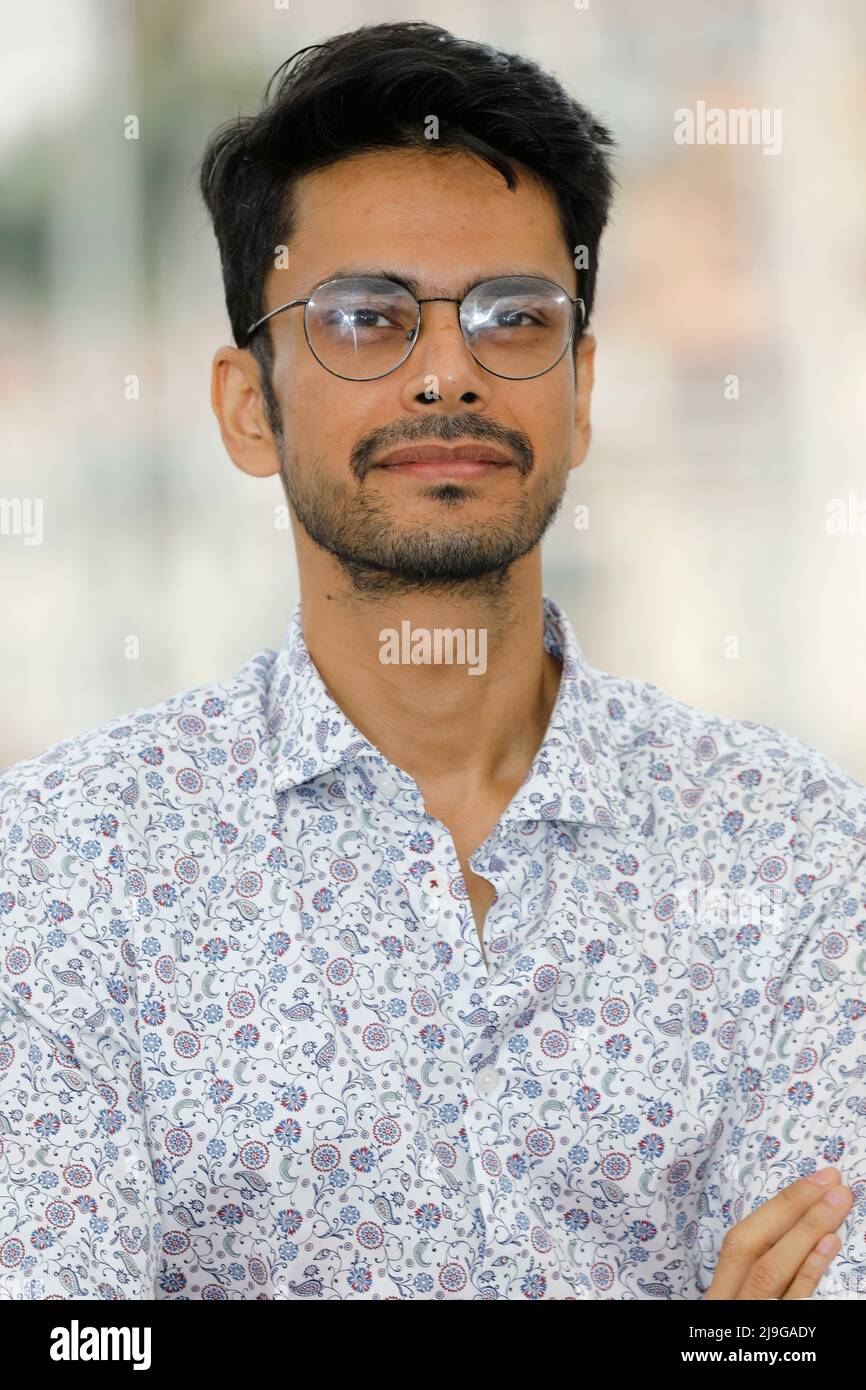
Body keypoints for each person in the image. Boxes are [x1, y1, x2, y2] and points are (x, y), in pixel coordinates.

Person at [1, 20, 863, 1302]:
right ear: (251, 406)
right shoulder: (62, 871)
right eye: (364, 318)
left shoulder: (794, 853)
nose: (446, 373)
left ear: (578, 392)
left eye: (514, 317)